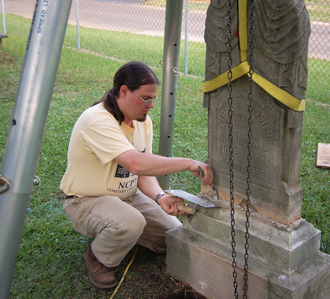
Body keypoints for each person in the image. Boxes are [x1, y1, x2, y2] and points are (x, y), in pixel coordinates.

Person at [60, 61, 213, 289]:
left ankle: (125, 231)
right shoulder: (97, 120)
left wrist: (160, 198)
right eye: (145, 98)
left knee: (171, 236)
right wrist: (187, 163)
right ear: (123, 91)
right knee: (130, 222)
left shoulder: (143, 122)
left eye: (153, 99)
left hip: (129, 198)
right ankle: (98, 256)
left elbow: (144, 172)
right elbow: (135, 163)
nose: (151, 105)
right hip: (86, 201)